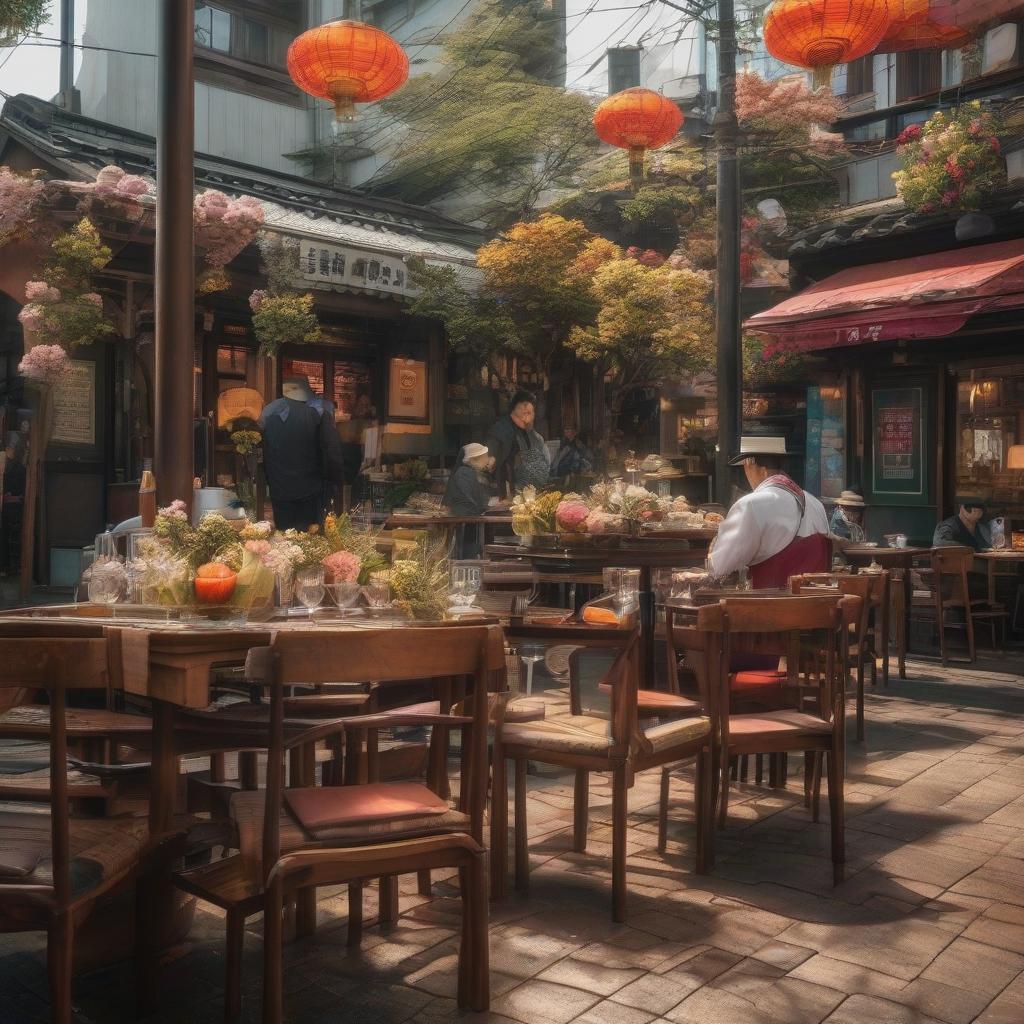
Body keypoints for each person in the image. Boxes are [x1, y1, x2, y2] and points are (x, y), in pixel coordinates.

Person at [709, 436, 830, 589]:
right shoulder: (816, 503)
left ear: (749, 463)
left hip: (768, 608)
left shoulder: (749, 505)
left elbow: (721, 567)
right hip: (816, 608)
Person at [259, 375, 344, 530]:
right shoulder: (318, 412)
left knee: (284, 540)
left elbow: (262, 451)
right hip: (311, 492)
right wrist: (337, 483)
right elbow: (332, 453)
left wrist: (269, 480)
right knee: (310, 539)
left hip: (280, 492)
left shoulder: (268, 413)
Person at [485, 389, 549, 498]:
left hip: (526, 488)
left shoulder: (527, 431)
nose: (529, 417)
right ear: (517, 409)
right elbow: (490, 464)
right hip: (501, 490)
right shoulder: (500, 430)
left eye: (531, 413)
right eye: (526, 413)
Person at [0, 443, 26, 576]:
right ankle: (9, 566)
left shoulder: (16, 468)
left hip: (12, 505)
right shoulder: (15, 467)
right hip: (12, 504)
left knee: (7, 534)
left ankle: (7, 566)